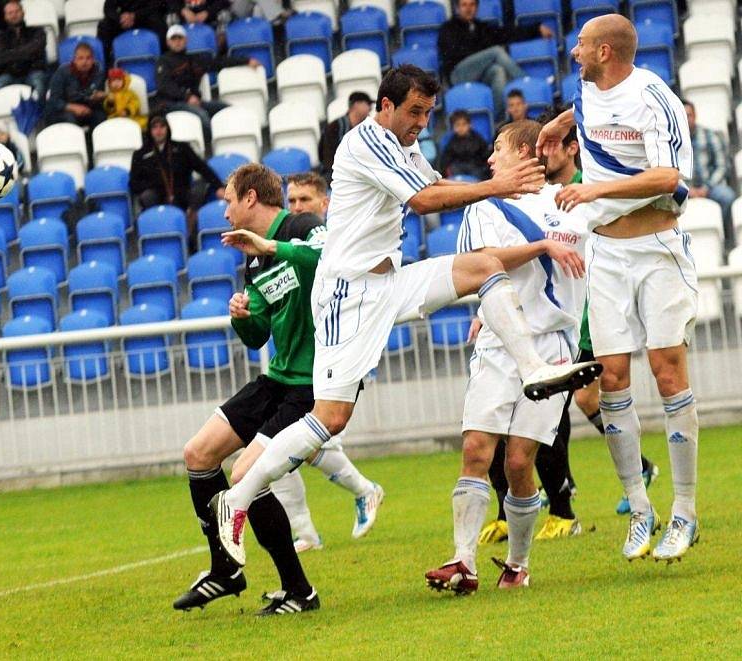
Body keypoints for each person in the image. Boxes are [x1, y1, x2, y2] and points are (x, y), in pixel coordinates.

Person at [210, 64, 601, 569]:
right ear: (386, 106)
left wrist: (495, 184)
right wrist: (497, 185)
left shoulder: (403, 145)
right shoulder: (366, 140)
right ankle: (236, 499)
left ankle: (535, 370)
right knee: (330, 417)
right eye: (414, 111)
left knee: (483, 265)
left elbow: (434, 183)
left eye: (428, 113)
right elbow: (422, 200)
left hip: (387, 282)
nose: (421, 122)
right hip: (345, 297)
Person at [537, 15, 698, 563]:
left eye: (582, 44)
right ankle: (640, 507)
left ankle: (685, 510)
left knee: (667, 370)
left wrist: (593, 188)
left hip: (656, 249)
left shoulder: (655, 98)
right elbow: (588, 111)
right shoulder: (587, 87)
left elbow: (668, 176)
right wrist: (559, 125)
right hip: (605, 252)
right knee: (611, 377)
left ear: (605, 51)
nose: (573, 51)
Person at [425, 119, 589, 593]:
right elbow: (485, 264)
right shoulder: (485, 204)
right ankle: (462, 561)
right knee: (477, 449)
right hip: (501, 343)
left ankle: (517, 564)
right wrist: (541, 247)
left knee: (520, 462)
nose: (490, 159)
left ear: (524, 151)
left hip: (554, 346)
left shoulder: (567, 204)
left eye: (498, 149)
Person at [173, 164, 321, 616]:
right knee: (198, 454)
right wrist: (243, 315)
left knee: (245, 474)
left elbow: (328, 259)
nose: (225, 210)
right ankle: (225, 570)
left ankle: (299, 591)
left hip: (312, 384)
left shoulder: (300, 226)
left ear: (251, 198)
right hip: (276, 378)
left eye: (229, 200)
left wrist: (271, 245)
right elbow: (257, 336)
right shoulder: (252, 259)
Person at [268, 172, 384, 553]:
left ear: (325, 204)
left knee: (297, 443)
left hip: (333, 356)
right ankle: (309, 530)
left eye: (305, 200)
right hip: (296, 363)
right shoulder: (287, 241)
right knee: (282, 448)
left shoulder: (326, 236)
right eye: (292, 201)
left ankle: (358, 495)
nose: (297, 208)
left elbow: (321, 259)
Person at [438, 0, 553, 119]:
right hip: (457, 74)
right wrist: (484, 55)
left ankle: (498, 117)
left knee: (498, 71)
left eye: (472, 4)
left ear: (477, 7)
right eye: (464, 5)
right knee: (496, 51)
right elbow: (452, 55)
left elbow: (507, 34)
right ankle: (526, 83)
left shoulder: (480, 27)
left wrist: (536, 29)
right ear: (457, 8)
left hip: (479, 74)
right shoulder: (448, 28)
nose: (468, 8)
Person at [154, 24, 255, 150]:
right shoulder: (163, 61)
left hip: (193, 102)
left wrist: (246, 61)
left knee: (227, 109)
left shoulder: (194, 59)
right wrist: (187, 96)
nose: (177, 42)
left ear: (186, 40)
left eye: (180, 38)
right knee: (202, 116)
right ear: (168, 42)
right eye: (174, 39)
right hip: (169, 104)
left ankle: (236, 143)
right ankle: (212, 149)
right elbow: (165, 86)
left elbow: (218, 63)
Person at [129, 114, 223, 239]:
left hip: (182, 193)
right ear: (150, 131)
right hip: (157, 198)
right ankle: (159, 236)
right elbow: (133, 183)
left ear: (167, 128)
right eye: (155, 127)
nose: (159, 131)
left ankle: (189, 236)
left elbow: (202, 168)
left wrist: (218, 187)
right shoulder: (140, 154)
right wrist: (155, 184)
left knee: (200, 189)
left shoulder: (182, 148)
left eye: (162, 126)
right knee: (147, 196)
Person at [683, 99, 736, 248]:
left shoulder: (710, 136)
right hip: (685, 189)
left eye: (689, 115)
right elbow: (671, 172)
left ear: (695, 116)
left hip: (710, 187)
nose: (687, 119)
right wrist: (688, 190)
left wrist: (706, 188)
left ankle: (724, 240)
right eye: (683, 115)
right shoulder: (673, 142)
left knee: (727, 197)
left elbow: (721, 166)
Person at [0, 1, 47, 102]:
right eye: (10, 13)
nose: (14, 15)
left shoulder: (38, 31)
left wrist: (11, 53)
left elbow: (36, 50)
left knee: (39, 86)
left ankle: (41, 117)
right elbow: (1, 58)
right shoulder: (0, 37)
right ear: (5, 16)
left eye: (16, 11)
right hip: (10, 74)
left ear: (23, 12)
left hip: (33, 71)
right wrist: (26, 52)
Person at [45, 42, 107, 130]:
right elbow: (54, 100)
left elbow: (96, 96)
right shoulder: (62, 72)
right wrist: (73, 108)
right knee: (70, 119)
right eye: (80, 58)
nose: (84, 62)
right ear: (74, 60)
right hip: (64, 110)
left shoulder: (98, 72)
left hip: (87, 108)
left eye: (88, 58)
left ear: (93, 59)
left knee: (100, 116)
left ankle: (94, 142)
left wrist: (100, 97)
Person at [319, 92, 374, 180]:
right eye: (368, 104)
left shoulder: (368, 128)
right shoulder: (334, 127)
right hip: (337, 178)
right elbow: (327, 160)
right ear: (356, 105)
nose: (370, 108)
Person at [97, 0, 169, 61]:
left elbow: (159, 5)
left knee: (161, 27)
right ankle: (104, 69)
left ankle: (163, 64)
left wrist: (135, 16)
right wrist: (120, 18)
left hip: (147, 17)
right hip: (125, 20)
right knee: (105, 26)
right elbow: (108, 8)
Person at [439, 110, 490, 180]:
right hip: (457, 167)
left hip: (475, 166)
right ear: (453, 128)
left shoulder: (478, 139)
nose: (461, 128)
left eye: (464, 124)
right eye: (457, 125)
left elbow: (485, 155)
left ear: (470, 125)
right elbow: (445, 159)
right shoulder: (451, 142)